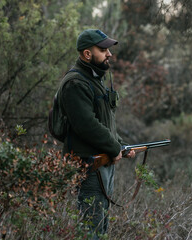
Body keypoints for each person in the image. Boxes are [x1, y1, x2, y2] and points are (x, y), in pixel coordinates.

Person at [56, 29, 135, 238]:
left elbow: (104, 123)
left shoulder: (94, 80)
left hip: (102, 163)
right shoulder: (75, 83)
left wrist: (121, 145)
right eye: (103, 49)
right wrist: (114, 147)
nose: (109, 54)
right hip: (89, 166)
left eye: (108, 49)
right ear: (87, 54)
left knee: (101, 227)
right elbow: (87, 125)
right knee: (91, 230)